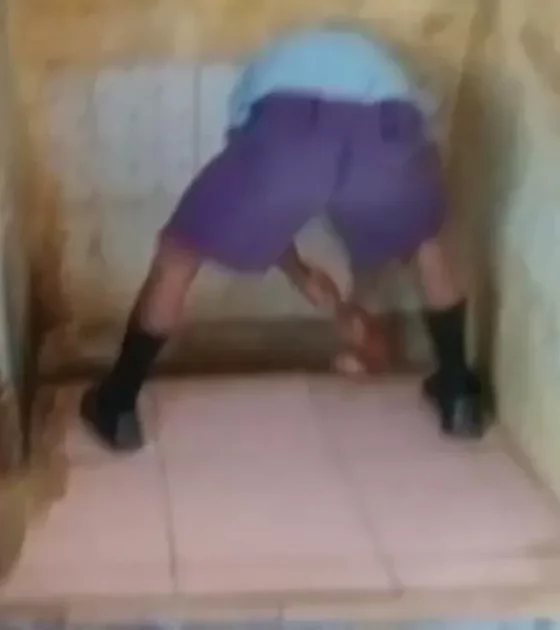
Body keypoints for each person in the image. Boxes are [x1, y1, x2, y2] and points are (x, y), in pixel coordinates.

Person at [80, 23, 486, 453]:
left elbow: (266, 198)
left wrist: (298, 272)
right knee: (427, 240)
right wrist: (327, 289)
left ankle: (118, 403)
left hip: (287, 124)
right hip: (389, 124)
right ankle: (460, 397)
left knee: (179, 252)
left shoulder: (258, 80)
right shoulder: (376, 62)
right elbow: (359, 202)